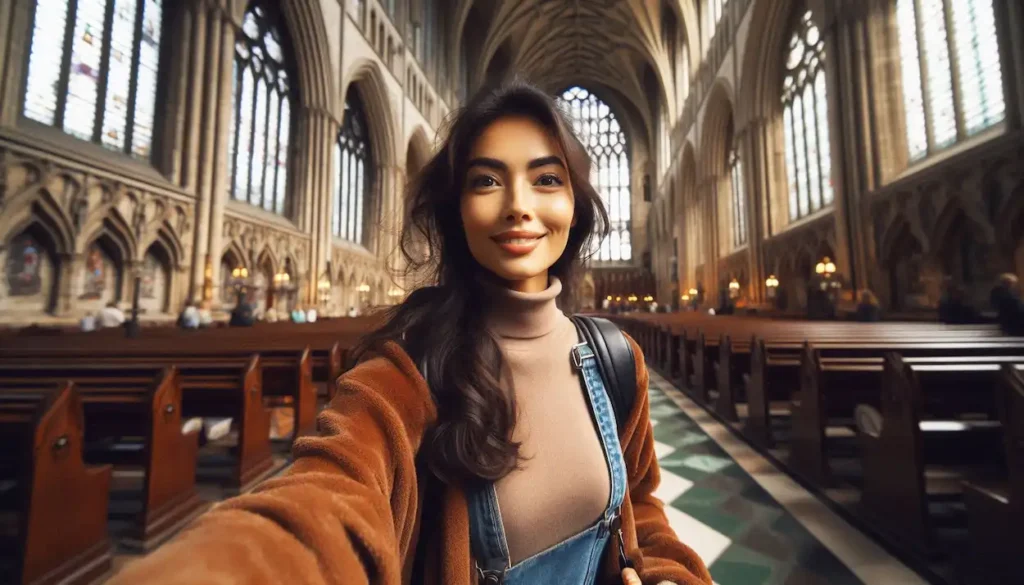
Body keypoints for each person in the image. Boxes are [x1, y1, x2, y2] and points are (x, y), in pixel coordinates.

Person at [109, 80, 710, 585]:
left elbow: (641, 508)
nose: (518, 206)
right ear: (457, 212)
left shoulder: (613, 358)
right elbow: (328, 496)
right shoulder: (408, 372)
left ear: (575, 205)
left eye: (547, 179)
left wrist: (665, 573)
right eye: (487, 180)